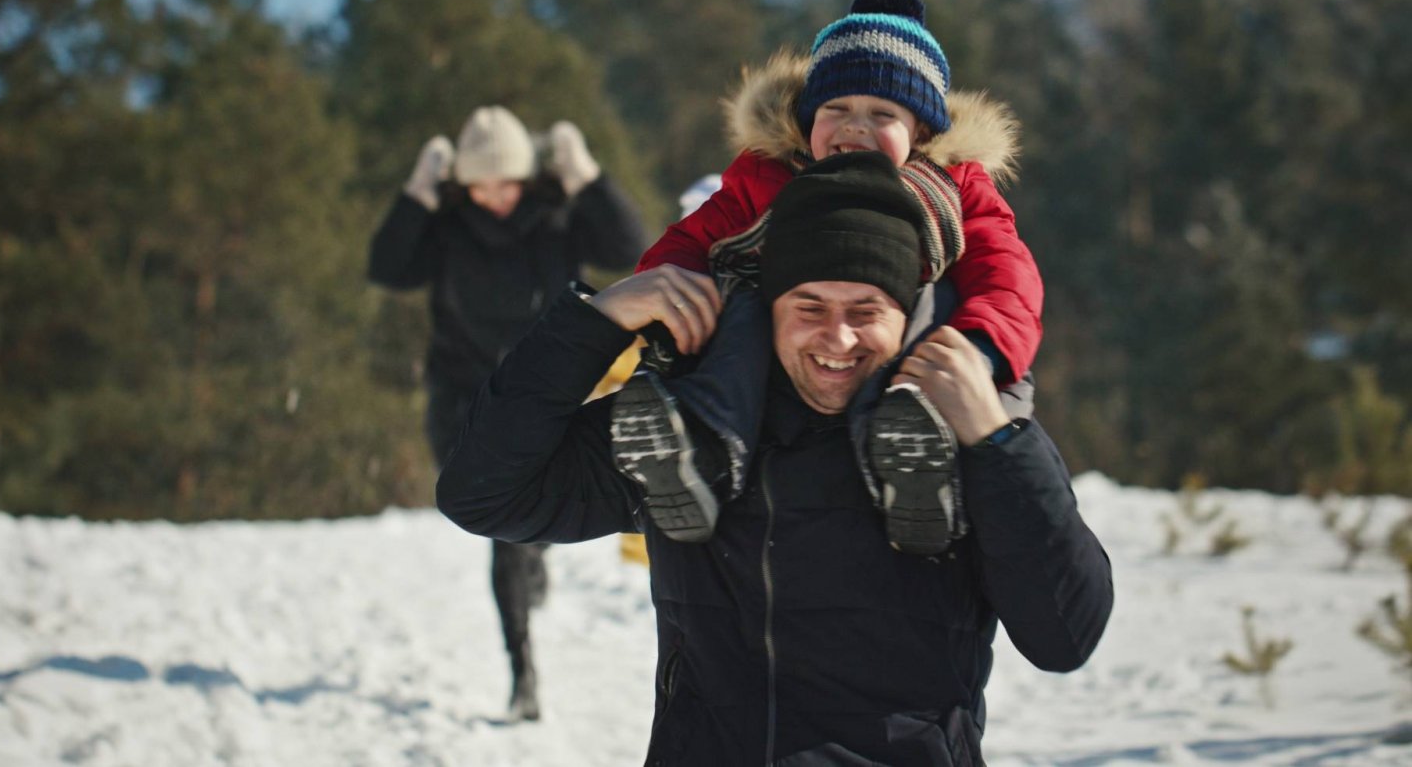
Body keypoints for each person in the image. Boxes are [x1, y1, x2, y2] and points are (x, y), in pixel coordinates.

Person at [438, 150, 1113, 764]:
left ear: (906, 311)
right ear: (771, 307)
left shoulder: (958, 431)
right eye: (808, 306)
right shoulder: (692, 431)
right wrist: (596, 321)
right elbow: (486, 494)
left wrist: (998, 443)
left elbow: (1065, 635)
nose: (837, 337)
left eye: (866, 309)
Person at [612, 0, 1040, 557]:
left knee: (962, 341)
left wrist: (983, 347)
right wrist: (664, 297)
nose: (854, 126)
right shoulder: (769, 177)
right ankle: (700, 454)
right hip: (790, 343)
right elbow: (690, 241)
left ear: (922, 131)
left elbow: (1007, 275)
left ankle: (919, 471)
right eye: (835, 109)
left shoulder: (955, 188)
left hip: (912, 352)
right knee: (741, 305)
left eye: (881, 113)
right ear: (807, 117)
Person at [367, 105, 646, 722]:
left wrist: (588, 178)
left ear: (528, 178)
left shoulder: (559, 216)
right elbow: (387, 267)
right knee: (499, 518)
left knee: (515, 530)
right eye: (480, 184)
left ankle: (526, 650)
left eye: (506, 182)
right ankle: (524, 655)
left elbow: (630, 248)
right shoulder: (447, 225)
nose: (494, 196)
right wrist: (417, 194)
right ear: (463, 184)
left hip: (547, 389)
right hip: (462, 393)